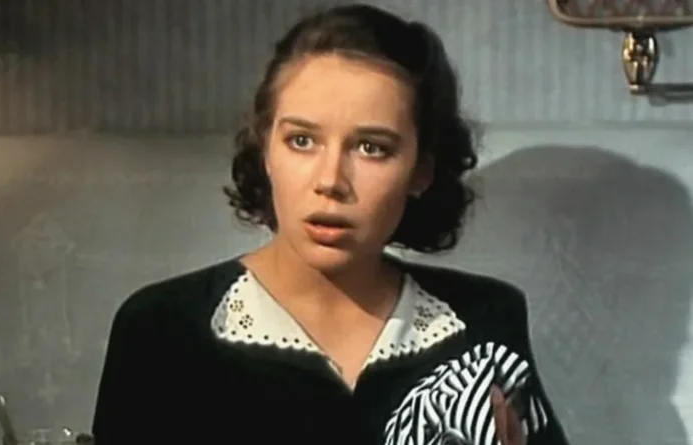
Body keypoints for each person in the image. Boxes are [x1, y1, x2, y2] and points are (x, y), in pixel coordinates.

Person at [91, 4, 569, 445]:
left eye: (371, 148)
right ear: (265, 149)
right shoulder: (164, 328)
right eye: (302, 140)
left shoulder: (483, 319)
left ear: (420, 172)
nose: (331, 181)